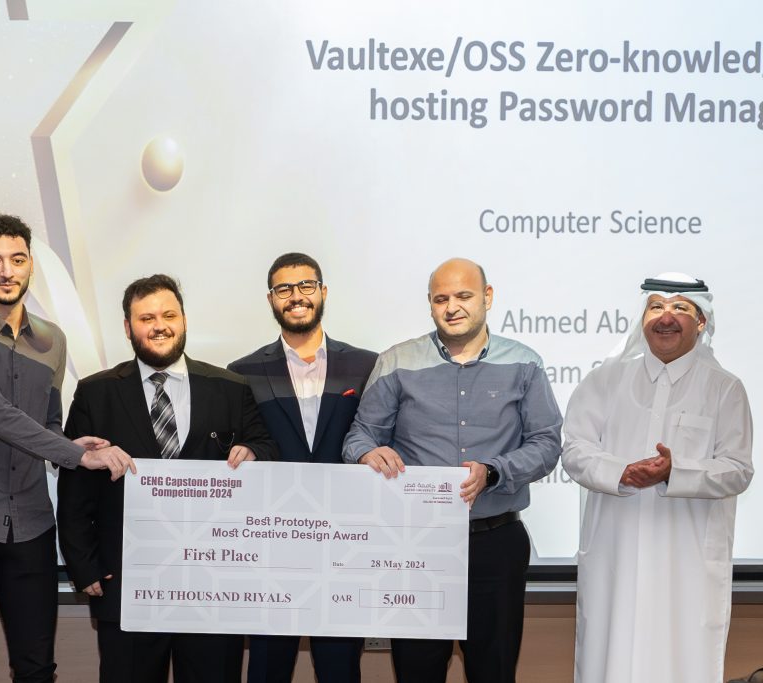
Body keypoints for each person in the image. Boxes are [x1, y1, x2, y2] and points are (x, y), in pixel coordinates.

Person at [342, 257, 562, 683]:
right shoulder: (397, 361)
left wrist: (494, 472)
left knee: (493, 671)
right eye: (441, 299)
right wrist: (367, 454)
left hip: (495, 543)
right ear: (430, 304)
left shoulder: (525, 363)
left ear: (487, 297)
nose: (452, 307)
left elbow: (547, 444)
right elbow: (359, 437)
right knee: (417, 670)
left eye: (463, 296)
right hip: (414, 545)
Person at [0, 213, 127, 682]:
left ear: (31, 265)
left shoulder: (53, 340)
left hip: (33, 525)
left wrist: (68, 443)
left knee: (37, 668)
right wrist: (78, 455)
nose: (6, 271)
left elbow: (46, 423)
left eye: (17, 259)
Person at [57, 273, 278, 683]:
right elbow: (74, 491)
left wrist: (254, 452)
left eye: (169, 315)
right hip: (127, 584)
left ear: (184, 320)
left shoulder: (230, 388)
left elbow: (266, 448)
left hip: (215, 586)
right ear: (128, 328)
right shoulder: (96, 393)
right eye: (146, 318)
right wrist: (84, 566)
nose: (159, 326)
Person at [561, 273, 753, 683]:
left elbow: (737, 470)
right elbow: (574, 450)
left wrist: (675, 472)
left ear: (701, 321)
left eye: (680, 308)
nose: (666, 318)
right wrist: (621, 472)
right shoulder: (604, 380)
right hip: (615, 558)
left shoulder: (725, 388)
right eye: (656, 307)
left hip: (686, 566)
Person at [229, 252, 376, 683]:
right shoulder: (242, 373)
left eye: (306, 286)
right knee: (267, 668)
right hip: (272, 549)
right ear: (271, 299)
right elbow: (245, 444)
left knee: (340, 669)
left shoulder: (367, 365)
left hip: (345, 546)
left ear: (323, 292)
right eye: (284, 289)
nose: (296, 296)